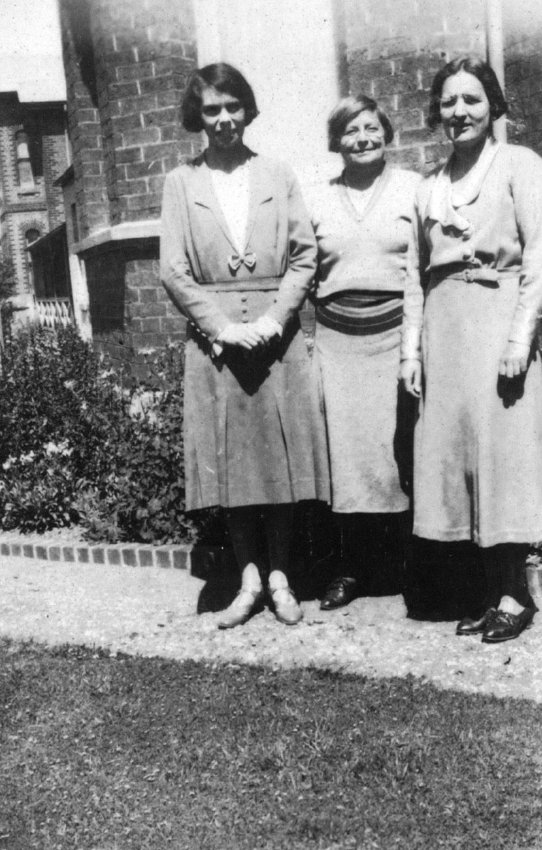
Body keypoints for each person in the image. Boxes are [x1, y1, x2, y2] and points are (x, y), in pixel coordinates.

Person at [160, 63, 329, 629]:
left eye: (234, 107)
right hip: (218, 345)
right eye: (212, 110)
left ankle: (280, 575)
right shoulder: (181, 183)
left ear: (247, 110)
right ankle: (247, 577)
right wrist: (223, 328)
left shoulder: (277, 173)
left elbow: (304, 254)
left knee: (278, 457)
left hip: (275, 338)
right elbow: (175, 270)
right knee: (234, 462)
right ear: (198, 117)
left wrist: (278, 317)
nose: (225, 119)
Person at [400, 56, 542, 642]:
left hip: (498, 323)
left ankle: (515, 595)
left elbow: (541, 256)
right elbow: (414, 276)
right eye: (448, 102)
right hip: (445, 331)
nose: (459, 112)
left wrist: (520, 336)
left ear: (492, 104)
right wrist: (410, 352)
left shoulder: (521, 165)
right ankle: (489, 592)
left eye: (470, 99)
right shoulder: (429, 186)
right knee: (458, 459)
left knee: (502, 456)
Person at [308, 95, 421, 610]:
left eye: (372, 128)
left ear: (386, 132)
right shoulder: (316, 199)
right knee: (347, 459)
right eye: (351, 131)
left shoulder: (413, 189)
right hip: (337, 343)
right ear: (337, 141)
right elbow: (300, 271)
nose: (363, 139)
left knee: (401, 451)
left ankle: (412, 567)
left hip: (399, 340)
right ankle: (349, 570)